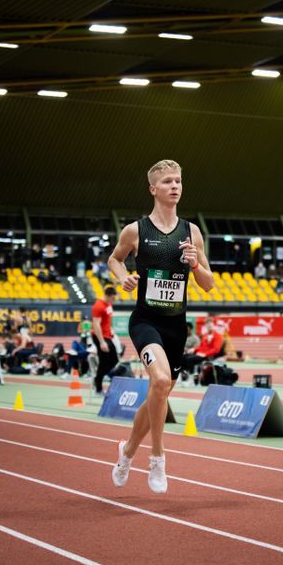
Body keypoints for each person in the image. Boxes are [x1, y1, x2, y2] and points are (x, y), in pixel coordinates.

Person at [108, 159, 214, 494]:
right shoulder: (135, 230)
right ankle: (158, 457)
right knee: (162, 380)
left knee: (159, 391)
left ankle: (126, 452)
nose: (175, 186)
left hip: (176, 326)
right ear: (153, 188)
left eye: (178, 181)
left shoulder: (192, 232)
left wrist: (196, 265)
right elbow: (114, 258)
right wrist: (124, 278)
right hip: (145, 322)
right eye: (167, 181)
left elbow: (208, 284)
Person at [91, 286, 119, 396]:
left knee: (114, 360)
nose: (114, 300)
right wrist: (102, 342)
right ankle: (98, 387)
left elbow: (107, 321)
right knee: (104, 361)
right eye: (112, 298)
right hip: (100, 337)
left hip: (107, 336)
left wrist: (110, 332)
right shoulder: (98, 306)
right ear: (107, 296)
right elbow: (96, 324)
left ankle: (99, 377)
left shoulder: (109, 304)